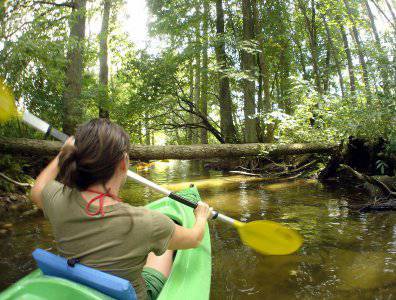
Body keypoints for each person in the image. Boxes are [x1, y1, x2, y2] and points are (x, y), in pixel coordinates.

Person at [31, 118, 212, 300]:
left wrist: (62, 153)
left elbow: (37, 190)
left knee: (153, 241)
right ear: (124, 163)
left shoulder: (59, 199)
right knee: (165, 246)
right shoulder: (148, 223)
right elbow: (195, 239)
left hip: (79, 293)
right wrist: (201, 216)